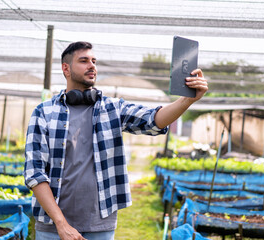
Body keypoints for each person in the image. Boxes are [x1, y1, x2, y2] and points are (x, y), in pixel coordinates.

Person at [24, 41, 208, 240]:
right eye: (84, 61)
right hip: (52, 227)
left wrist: (187, 100)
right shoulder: (44, 112)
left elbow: (153, 120)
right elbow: (35, 173)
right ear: (65, 68)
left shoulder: (112, 108)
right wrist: (61, 224)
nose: (92, 65)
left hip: (100, 225)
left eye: (94, 61)